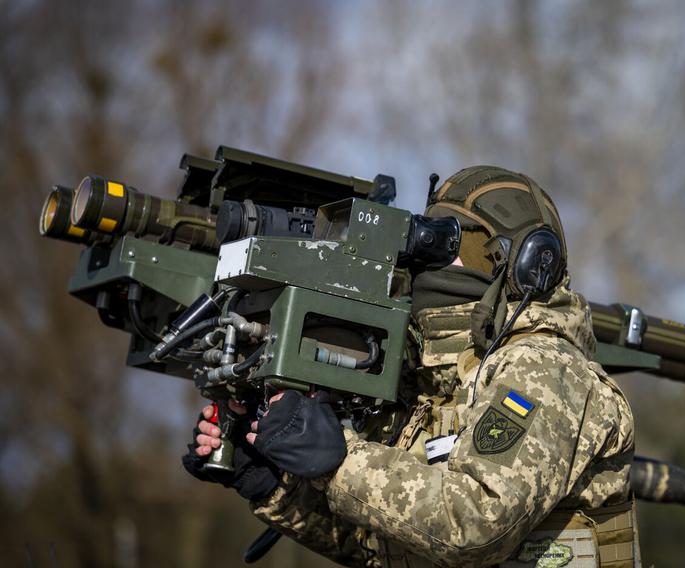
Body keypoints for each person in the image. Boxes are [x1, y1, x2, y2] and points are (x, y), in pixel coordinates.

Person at [184, 166, 638, 568]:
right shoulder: (435, 384)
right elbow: (382, 546)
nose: (426, 259)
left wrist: (338, 462)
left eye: (450, 242)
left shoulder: (544, 369)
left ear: (524, 262)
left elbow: (476, 524)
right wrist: (274, 486)